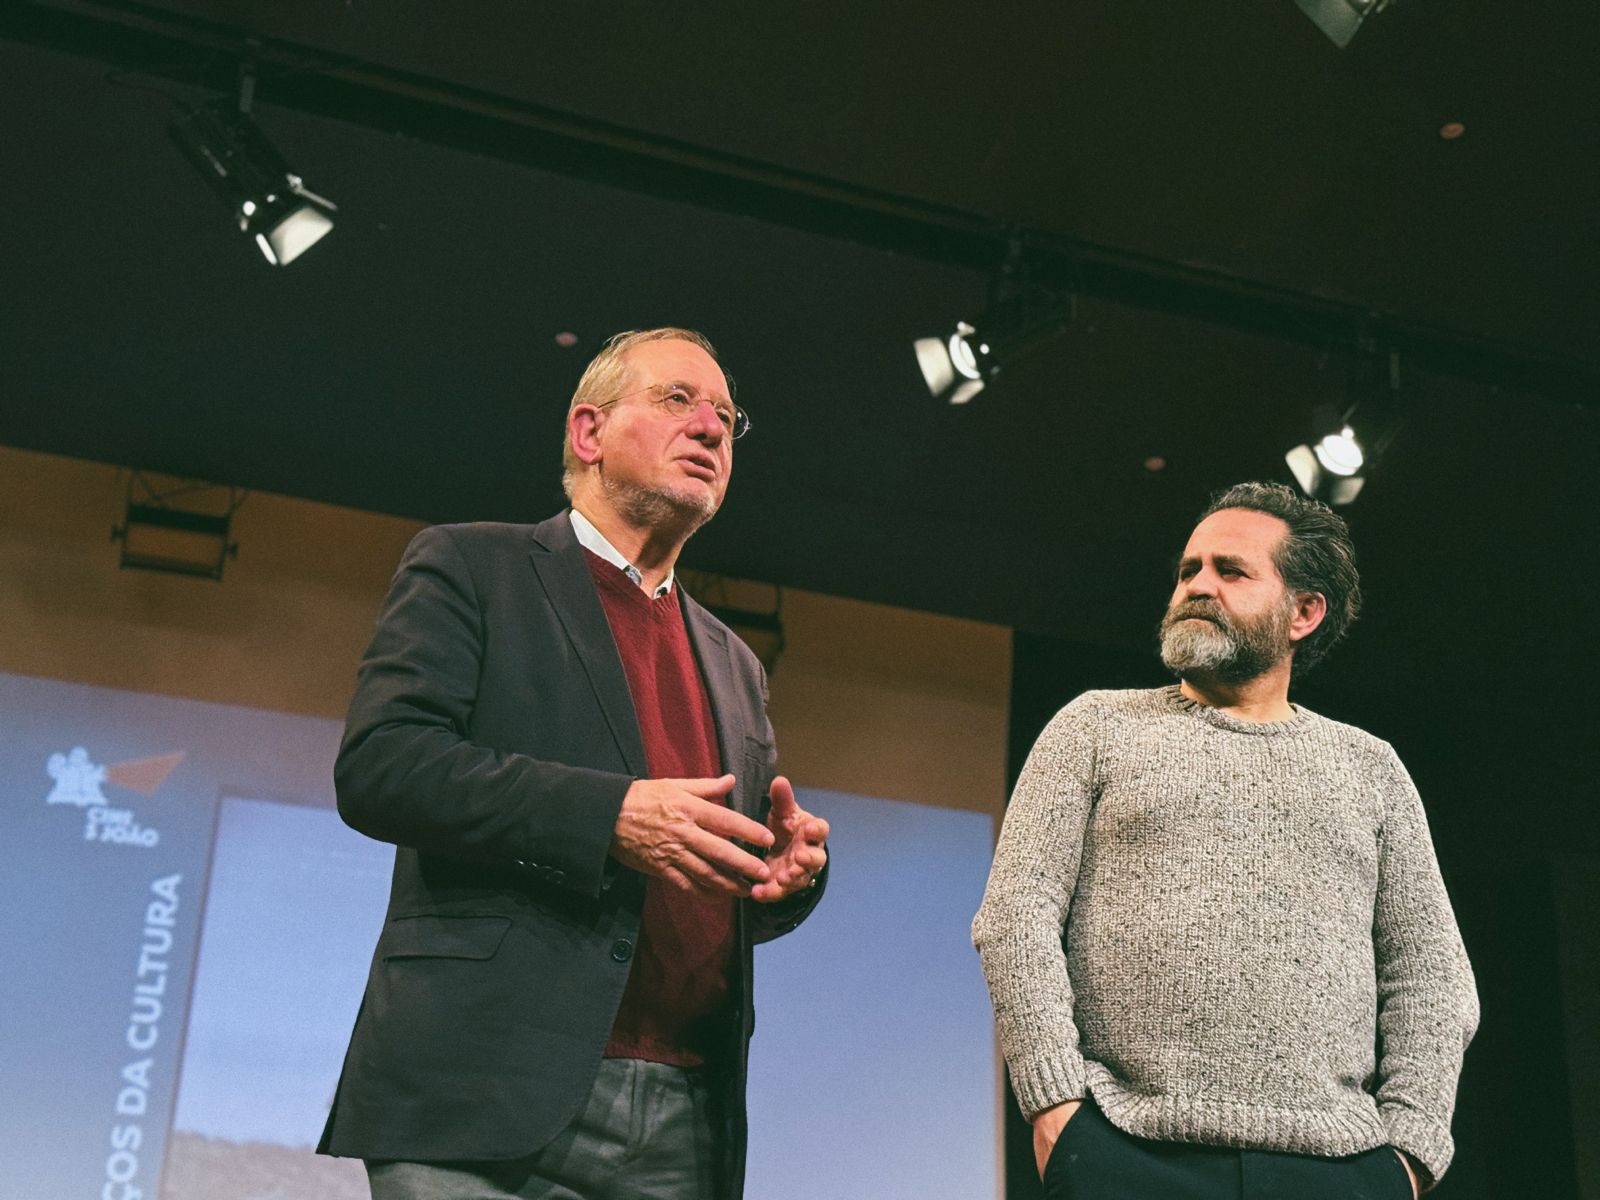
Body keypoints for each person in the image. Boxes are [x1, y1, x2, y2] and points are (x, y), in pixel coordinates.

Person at [319, 328, 830, 1200]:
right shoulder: (471, 566)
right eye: (678, 400)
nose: (711, 428)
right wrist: (611, 817)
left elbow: (703, 859)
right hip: (482, 1095)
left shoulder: (736, 664)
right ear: (588, 433)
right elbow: (383, 765)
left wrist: (781, 879)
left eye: (726, 417)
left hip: (686, 1118)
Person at [972, 481, 1477, 1199]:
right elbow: (1016, 915)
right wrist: (1056, 1109)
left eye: (1230, 571)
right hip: (1127, 1150)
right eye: (1188, 570)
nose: (1197, 586)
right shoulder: (1094, 728)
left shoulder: (1371, 768)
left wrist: (1412, 1154)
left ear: (1304, 612)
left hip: (1340, 1168)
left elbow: (1431, 973)